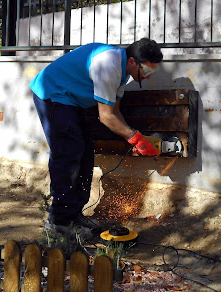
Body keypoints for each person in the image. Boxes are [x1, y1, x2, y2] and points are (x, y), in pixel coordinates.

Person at [30, 38, 163, 239]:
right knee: (68, 154)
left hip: (69, 101)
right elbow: (105, 116)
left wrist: (137, 136)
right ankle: (59, 221)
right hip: (52, 93)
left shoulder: (121, 73)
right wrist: (135, 139)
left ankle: (74, 214)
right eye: (147, 70)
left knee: (85, 154)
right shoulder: (109, 64)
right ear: (134, 61)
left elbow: (114, 111)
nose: (147, 76)